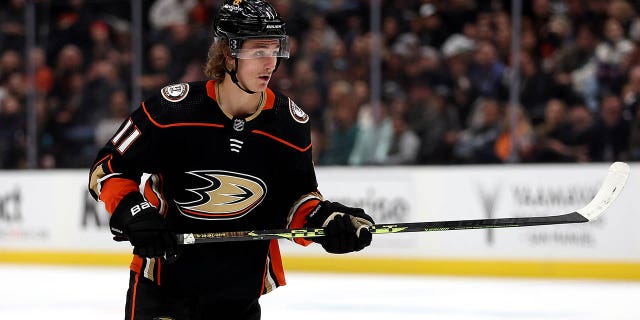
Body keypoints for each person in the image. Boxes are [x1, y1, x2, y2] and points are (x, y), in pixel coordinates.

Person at [87, 1, 374, 319]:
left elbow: (297, 200)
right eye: (257, 51)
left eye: (275, 49)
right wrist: (134, 213)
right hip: (164, 287)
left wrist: (328, 222)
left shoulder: (289, 123)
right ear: (227, 53)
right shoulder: (172, 110)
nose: (270, 63)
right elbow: (108, 168)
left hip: (238, 295)